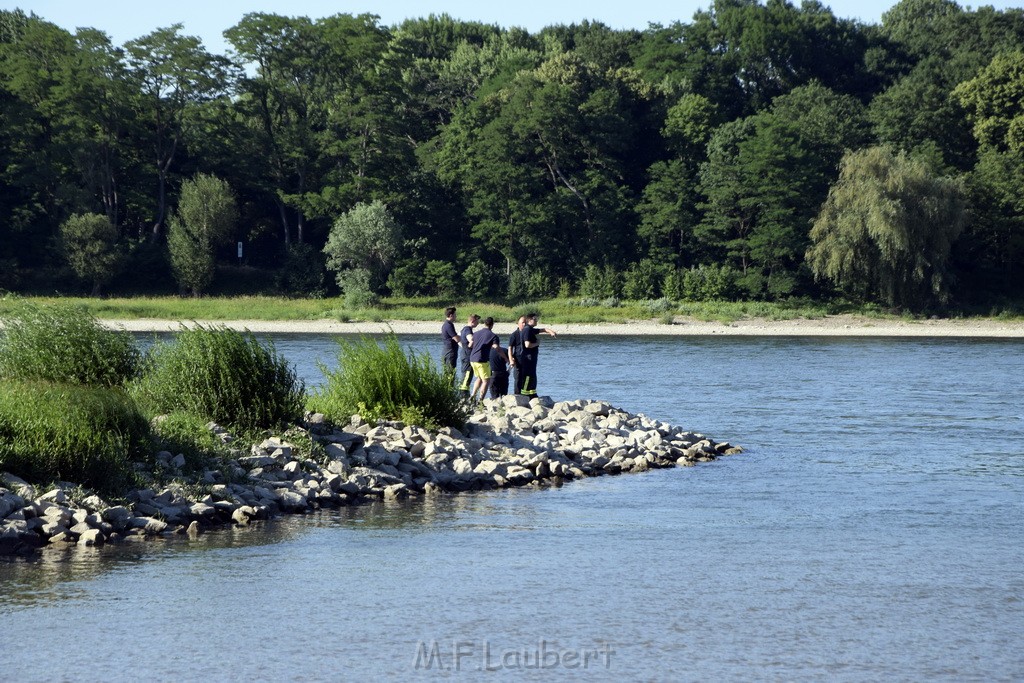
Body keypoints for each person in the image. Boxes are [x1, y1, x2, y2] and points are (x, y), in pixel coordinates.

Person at [518, 312, 556, 396]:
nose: (536, 321)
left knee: (532, 376)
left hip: (532, 359)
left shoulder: (530, 329)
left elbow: (542, 329)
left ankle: (532, 394)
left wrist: (551, 331)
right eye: (535, 319)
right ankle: (525, 395)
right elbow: (527, 345)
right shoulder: (527, 329)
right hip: (527, 359)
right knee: (528, 376)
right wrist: (537, 343)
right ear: (530, 320)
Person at [468, 317, 502, 401]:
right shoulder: (493, 336)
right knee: (486, 381)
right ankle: (480, 401)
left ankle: (472, 396)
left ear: (484, 323)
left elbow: (470, 344)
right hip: (482, 361)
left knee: (479, 378)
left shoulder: (476, 333)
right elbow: (496, 347)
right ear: (492, 325)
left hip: (472, 359)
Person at [457, 313, 479, 394]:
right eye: (477, 321)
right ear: (473, 321)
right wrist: (471, 345)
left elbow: (458, 338)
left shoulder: (463, 329)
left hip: (464, 354)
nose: (478, 323)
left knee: (465, 375)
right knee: (467, 375)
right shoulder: (468, 330)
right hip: (468, 356)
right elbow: (471, 339)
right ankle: (464, 394)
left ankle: (463, 393)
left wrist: (463, 346)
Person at [508, 315, 527, 394]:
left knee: (527, 377)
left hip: (527, 359)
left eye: (525, 323)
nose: (524, 324)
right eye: (522, 323)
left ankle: (526, 394)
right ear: (518, 323)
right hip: (517, 359)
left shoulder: (528, 333)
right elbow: (510, 348)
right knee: (517, 378)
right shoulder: (514, 334)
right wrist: (510, 358)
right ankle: (517, 395)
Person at [489, 331, 510, 399]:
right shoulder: (505, 350)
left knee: (494, 396)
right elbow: (512, 362)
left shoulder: (487, 352)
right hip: (503, 374)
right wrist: (508, 371)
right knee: (504, 395)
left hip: (493, 374)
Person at [440, 306, 459, 372]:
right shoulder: (449, 325)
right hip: (450, 352)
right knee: (450, 372)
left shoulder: (445, 324)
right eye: (455, 315)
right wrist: (461, 336)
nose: (456, 316)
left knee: (447, 372)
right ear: (451, 315)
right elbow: (456, 339)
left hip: (446, 350)